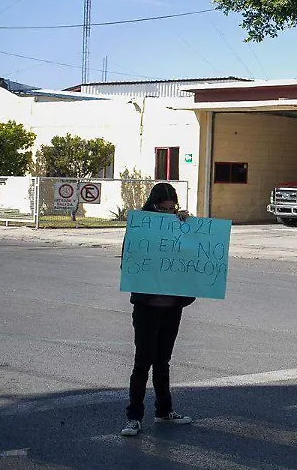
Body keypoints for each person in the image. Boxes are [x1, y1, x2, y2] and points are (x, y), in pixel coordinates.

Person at [121, 183, 195, 437]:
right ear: (152, 206)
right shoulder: (141, 228)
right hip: (147, 307)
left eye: (171, 208)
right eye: (162, 209)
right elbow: (128, 262)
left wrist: (189, 227)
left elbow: (193, 253)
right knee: (142, 362)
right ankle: (134, 416)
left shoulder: (179, 225)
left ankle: (164, 410)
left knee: (162, 361)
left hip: (172, 306)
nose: (167, 213)